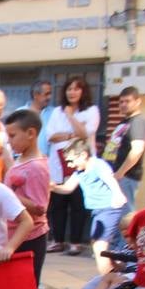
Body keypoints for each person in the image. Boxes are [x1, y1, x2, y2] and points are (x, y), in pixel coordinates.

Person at [51, 138, 129, 273]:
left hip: (108, 208)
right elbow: (67, 188)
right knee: (101, 245)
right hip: (98, 211)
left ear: (83, 155)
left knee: (100, 246)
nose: (70, 165)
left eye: (71, 161)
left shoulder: (97, 165)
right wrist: (51, 186)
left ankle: (106, 279)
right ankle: (116, 273)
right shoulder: (79, 172)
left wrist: (118, 194)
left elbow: (109, 179)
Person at [45, 77, 100, 256]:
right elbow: (51, 136)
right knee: (57, 204)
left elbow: (85, 134)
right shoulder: (56, 112)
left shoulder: (91, 111)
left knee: (78, 204)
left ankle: (76, 242)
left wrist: (70, 116)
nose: (72, 92)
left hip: (79, 163)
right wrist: (72, 134)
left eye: (76, 89)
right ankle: (58, 240)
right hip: (58, 164)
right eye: (69, 89)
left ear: (83, 91)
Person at [3, 108, 53, 289]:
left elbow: (40, 207)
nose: (10, 140)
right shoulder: (21, 160)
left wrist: (7, 195)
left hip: (31, 236)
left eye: (13, 135)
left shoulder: (37, 167)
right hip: (14, 235)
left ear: (31, 133)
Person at [104, 86, 145, 208]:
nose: (124, 104)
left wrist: (120, 173)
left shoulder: (138, 122)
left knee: (124, 215)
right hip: (117, 176)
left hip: (126, 177)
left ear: (138, 101)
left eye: (128, 101)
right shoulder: (125, 122)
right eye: (121, 102)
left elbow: (137, 150)